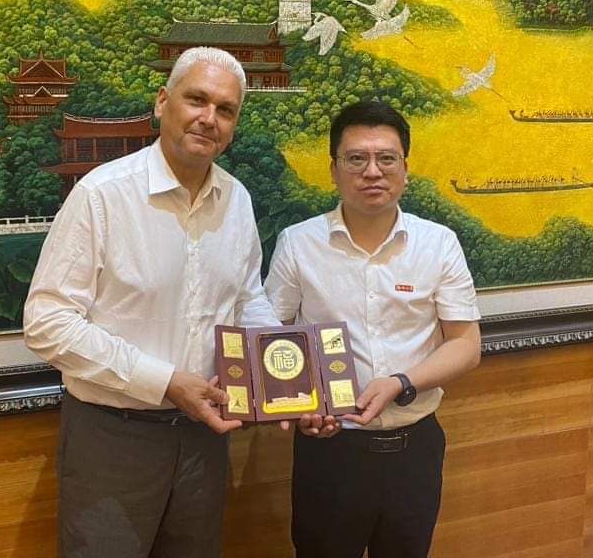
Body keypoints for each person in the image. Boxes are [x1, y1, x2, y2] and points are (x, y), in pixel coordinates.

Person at [24, 47, 280, 558]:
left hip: (205, 437)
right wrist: (164, 381)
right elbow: (47, 322)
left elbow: (247, 299)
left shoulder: (237, 200)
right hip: (113, 437)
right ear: (163, 102)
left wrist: (288, 381)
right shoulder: (103, 194)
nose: (209, 118)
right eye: (196, 100)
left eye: (225, 109)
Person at [265, 99, 482, 558]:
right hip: (329, 451)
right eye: (356, 159)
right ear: (334, 169)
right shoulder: (298, 244)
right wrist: (302, 406)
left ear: (405, 168)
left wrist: (401, 382)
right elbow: (273, 340)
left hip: (415, 448)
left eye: (386, 158)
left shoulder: (438, 243)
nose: (372, 172)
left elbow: (465, 345)